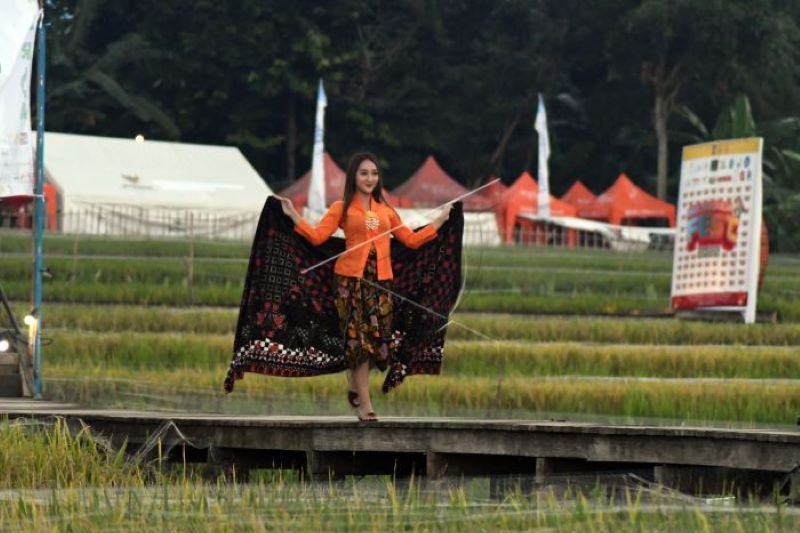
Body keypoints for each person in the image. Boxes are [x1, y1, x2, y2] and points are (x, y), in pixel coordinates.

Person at [275, 152, 451, 421]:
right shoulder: (341, 208)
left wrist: (439, 220)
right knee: (358, 344)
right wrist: (292, 214)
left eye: (374, 173)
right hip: (350, 283)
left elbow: (411, 241)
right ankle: (366, 407)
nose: (370, 178)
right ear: (354, 177)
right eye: (364, 173)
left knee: (377, 345)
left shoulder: (386, 210)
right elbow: (317, 236)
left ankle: (354, 386)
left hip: (381, 283)